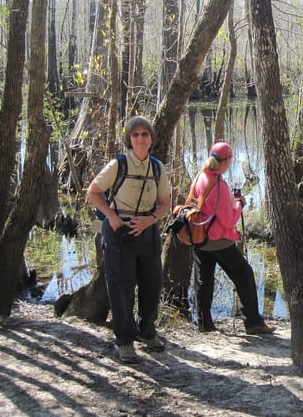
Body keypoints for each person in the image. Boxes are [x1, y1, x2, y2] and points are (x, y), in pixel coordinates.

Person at [87, 116, 171, 363]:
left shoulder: (157, 168)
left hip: (148, 232)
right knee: (121, 288)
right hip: (119, 233)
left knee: (152, 285)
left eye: (145, 134)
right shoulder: (118, 165)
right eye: (135, 135)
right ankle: (125, 341)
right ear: (129, 139)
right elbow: (93, 191)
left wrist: (150, 220)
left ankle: (147, 332)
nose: (140, 139)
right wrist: (110, 216)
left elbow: (165, 203)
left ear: (151, 139)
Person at [191, 142, 275, 335]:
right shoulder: (219, 185)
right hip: (218, 241)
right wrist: (239, 204)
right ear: (226, 161)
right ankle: (253, 322)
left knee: (203, 281)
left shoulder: (199, 177)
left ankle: (204, 324)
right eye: (230, 160)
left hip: (199, 238)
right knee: (244, 275)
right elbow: (228, 220)